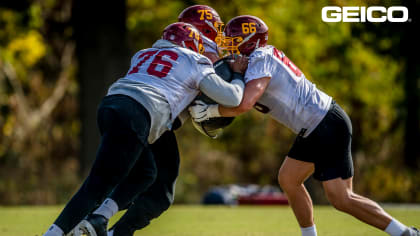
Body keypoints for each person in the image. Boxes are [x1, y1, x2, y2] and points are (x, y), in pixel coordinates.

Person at [189, 15, 420, 236]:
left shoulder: (261, 58)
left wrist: (210, 110)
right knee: (289, 179)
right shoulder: (258, 58)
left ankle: (405, 233)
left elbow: (245, 103)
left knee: (342, 198)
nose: (231, 48)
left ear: (250, 41)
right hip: (314, 126)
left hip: (326, 123)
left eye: (234, 41)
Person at [42, 22, 248, 236]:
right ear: (190, 44)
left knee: (145, 172)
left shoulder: (142, 54)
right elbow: (232, 98)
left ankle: (99, 219)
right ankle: (54, 233)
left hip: (110, 105)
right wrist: (238, 74)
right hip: (138, 112)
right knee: (99, 183)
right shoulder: (195, 59)